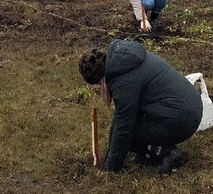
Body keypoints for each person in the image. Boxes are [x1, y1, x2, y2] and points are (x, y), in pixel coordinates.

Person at [78, 39, 202, 174]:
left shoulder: (123, 83)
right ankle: (150, 152)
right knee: (122, 131)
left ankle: (169, 153)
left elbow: (123, 127)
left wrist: (110, 169)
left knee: (128, 136)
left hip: (183, 120)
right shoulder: (123, 60)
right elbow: (121, 116)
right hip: (189, 106)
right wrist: (110, 153)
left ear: (100, 80)